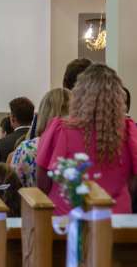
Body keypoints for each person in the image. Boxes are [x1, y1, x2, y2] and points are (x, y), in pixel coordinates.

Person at [37, 64, 137, 215]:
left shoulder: (61, 128)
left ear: (79, 94)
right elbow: (133, 183)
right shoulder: (129, 130)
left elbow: (42, 181)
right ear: (118, 97)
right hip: (115, 218)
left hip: (67, 218)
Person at [9, 88, 71, 187]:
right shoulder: (83, 147)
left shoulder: (27, 149)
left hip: (34, 201)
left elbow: (12, 187)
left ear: (43, 113)